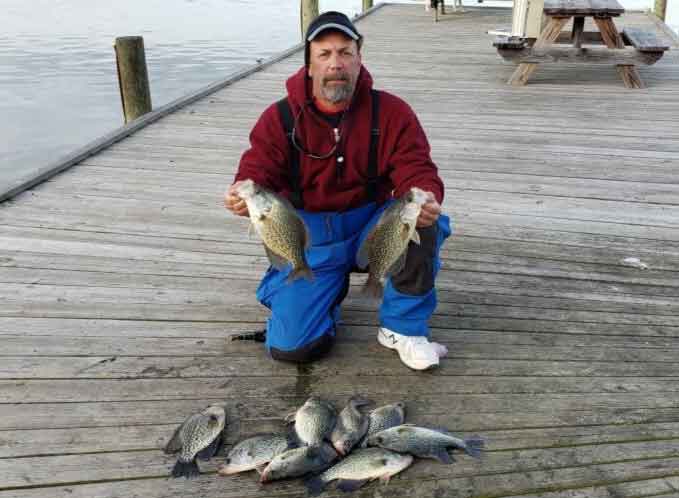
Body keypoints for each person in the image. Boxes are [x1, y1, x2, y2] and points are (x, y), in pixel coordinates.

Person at [224, 11, 451, 370]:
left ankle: (402, 328)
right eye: (324, 54)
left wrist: (425, 194)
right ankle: (301, 291)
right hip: (311, 235)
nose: (336, 63)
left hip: (371, 224)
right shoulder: (278, 118)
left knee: (425, 221)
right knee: (292, 348)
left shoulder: (392, 112)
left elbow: (417, 167)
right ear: (309, 65)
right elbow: (257, 169)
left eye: (345, 52)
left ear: (359, 58)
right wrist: (241, 190)